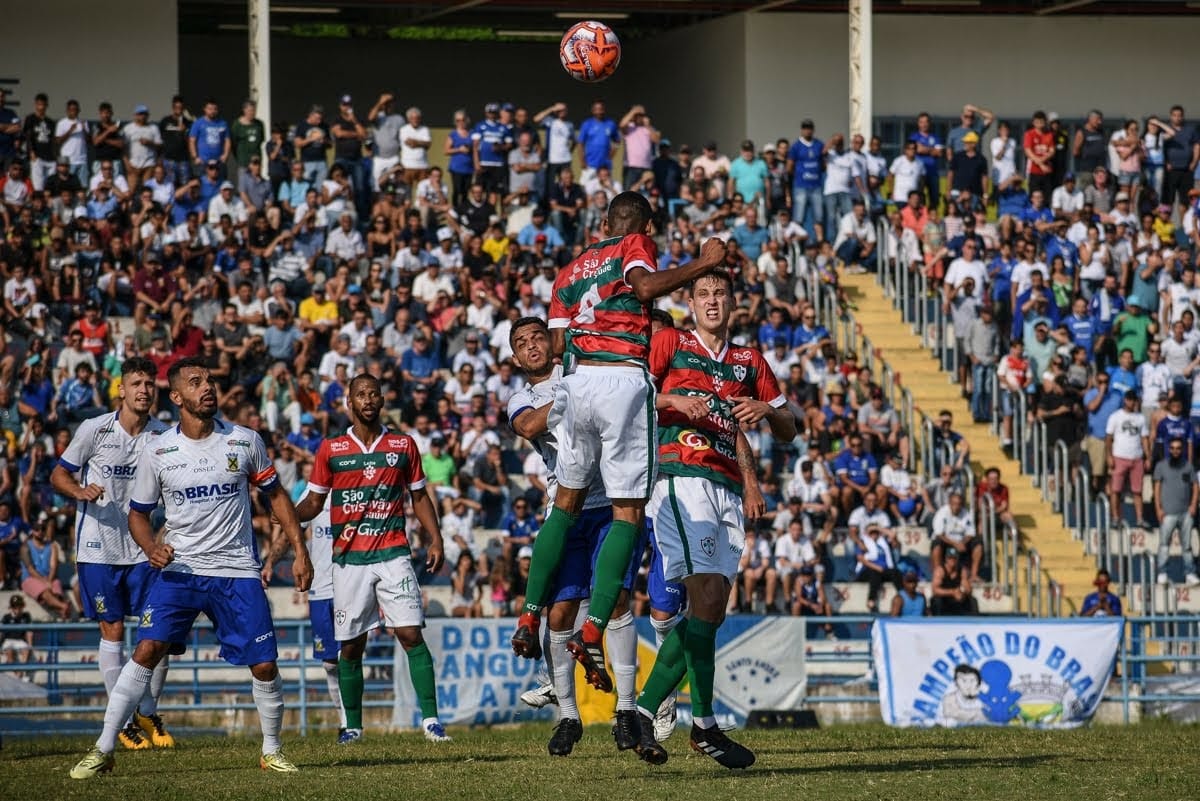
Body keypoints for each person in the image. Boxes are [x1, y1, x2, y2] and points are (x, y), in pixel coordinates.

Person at [509, 193, 725, 689]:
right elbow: (645, 285)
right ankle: (593, 629)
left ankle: (528, 614)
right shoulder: (635, 243)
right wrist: (703, 264)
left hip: (576, 382)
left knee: (564, 505)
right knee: (627, 511)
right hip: (621, 378)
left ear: (602, 221)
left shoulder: (569, 271)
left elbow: (559, 344)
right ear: (646, 225)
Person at [70, 357, 312, 779]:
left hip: (236, 570)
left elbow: (276, 497)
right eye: (196, 382)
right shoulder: (159, 450)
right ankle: (104, 747)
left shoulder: (245, 440)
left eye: (211, 380)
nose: (208, 388)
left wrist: (299, 550)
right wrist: (150, 548)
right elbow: (138, 514)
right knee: (146, 649)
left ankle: (271, 750)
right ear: (177, 396)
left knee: (265, 665)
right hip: (180, 570)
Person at [634, 266, 791, 769]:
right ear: (691, 302)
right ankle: (646, 713)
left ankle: (701, 728)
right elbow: (632, 395)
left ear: (733, 303)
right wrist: (674, 400)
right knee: (703, 594)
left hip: (725, 487)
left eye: (720, 293)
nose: (711, 301)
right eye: (702, 293)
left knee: (712, 609)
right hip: (681, 477)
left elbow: (790, 426)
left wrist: (765, 412)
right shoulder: (671, 344)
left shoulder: (749, 361)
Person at [506, 316, 643, 756]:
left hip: (610, 504)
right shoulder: (521, 397)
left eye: (537, 338)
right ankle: (568, 716)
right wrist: (573, 397)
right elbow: (529, 427)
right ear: (514, 357)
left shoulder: (581, 370)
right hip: (565, 508)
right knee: (561, 613)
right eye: (521, 343)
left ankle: (626, 710)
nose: (531, 347)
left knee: (618, 600)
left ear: (551, 343)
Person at [294, 374, 450, 745]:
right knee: (351, 645)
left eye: (373, 394)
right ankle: (353, 726)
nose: (367, 400)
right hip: (348, 561)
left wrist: (436, 537)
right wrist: (287, 514)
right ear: (348, 402)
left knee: (411, 633)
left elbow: (420, 496)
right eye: (359, 394)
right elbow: (315, 502)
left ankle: (431, 721)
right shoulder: (331, 449)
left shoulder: (402, 444)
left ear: (382, 400)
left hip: (393, 553)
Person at [50, 357, 175, 750]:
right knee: (115, 630)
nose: (143, 390)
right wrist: (78, 491)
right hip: (98, 547)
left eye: (149, 384)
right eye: (136, 383)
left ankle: (146, 709)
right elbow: (58, 474)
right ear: (120, 390)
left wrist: (163, 536)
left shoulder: (162, 435)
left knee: (159, 632)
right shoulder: (95, 429)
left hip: (143, 550)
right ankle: (122, 720)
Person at [1153, 438, 1200, 587]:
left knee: (1186, 546)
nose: (1175, 451)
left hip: (1186, 513)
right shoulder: (1161, 466)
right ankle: (1162, 573)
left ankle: (1190, 573)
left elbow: (1195, 486)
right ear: (1169, 449)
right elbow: (1157, 488)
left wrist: (1193, 505)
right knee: (1164, 544)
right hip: (1167, 513)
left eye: (1178, 448)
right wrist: (1158, 509)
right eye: (1172, 448)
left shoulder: (1188, 466)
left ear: (1183, 449)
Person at [1107, 390, 1151, 529]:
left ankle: (1139, 518)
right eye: (1130, 399)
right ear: (1125, 400)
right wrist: (1109, 456)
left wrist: (1148, 457)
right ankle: (1115, 517)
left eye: (1134, 400)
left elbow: (1144, 438)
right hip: (1120, 456)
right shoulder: (1115, 416)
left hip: (1136, 457)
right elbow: (1108, 438)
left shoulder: (1141, 418)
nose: (1132, 402)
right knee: (1116, 489)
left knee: (1137, 491)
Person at [930, 547, 977, 616]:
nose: (952, 560)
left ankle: (974, 623)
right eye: (950, 558)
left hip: (957, 597)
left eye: (954, 558)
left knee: (972, 600)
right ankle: (938, 622)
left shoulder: (962, 571)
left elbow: (968, 589)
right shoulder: (940, 571)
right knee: (936, 600)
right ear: (946, 559)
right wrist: (952, 592)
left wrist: (962, 593)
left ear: (957, 559)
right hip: (944, 598)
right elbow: (935, 590)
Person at [0, 594, 33, 676]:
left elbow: (29, 632)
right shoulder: (6, 617)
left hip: (20, 641)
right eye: (15, 607)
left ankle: (20, 673)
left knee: (26, 649)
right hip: (8, 641)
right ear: (11, 607)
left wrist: (30, 645)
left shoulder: (26, 616)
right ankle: (18, 674)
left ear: (22, 606)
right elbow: (1, 633)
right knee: (9, 651)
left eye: (19, 606)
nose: (17, 609)